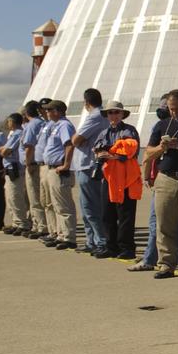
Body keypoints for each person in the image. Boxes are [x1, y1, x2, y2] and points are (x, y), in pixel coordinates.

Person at [146, 90, 178, 280]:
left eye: (177, 109)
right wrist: (162, 148)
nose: (173, 113)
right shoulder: (162, 125)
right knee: (164, 223)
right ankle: (166, 263)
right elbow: (148, 152)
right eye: (170, 109)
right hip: (166, 177)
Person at [93, 101, 140, 259]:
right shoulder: (103, 132)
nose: (113, 115)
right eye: (110, 113)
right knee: (108, 213)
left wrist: (111, 154)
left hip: (126, 177)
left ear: (122, 114)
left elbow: (130, 152)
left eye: (116, 112)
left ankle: (127, 248)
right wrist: (104, 153)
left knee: (125, 214)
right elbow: (97, 150)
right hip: (109, 177)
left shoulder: (129, 131)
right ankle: (110, 246)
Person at [128, 97, 170, 272]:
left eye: (164, 107)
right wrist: (146, 176)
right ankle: (153, 256)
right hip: (158, 179)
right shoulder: (160, 127)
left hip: (168, 179)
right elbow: (148, 154)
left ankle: (151, 258)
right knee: (157, 222)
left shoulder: (173, 126)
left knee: (158, 222)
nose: (161, 110)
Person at [70, 88, 109, 256]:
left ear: (86, 103)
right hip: (85, 166)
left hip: (88, 166)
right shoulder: (100, 116)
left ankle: (100, 241)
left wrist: (76, 139)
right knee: (87, 207)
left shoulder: (95, 116)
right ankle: (92, 240)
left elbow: (76, 140)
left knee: (91, 207)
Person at [38, 100, 78, 249]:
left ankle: (69, 237)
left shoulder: (64, 125)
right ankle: (61, 235)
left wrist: (66, 164)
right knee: (55, 204)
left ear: (57, 111)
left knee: (63, 205)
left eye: (49, 110)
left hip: (59, 169)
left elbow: (69, 144)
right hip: (51, 168)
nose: (46, 113)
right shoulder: (54, 125)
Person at [21, 101, 49, 240]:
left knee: (34, 196)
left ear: (26, 113)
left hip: (33, 163)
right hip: (38, 162)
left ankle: (40, 226)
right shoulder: (41, 123)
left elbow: (29, 146)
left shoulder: (32, 125)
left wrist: (28, 163)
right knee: (38, 196)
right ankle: (39, 225)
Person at [0, 112, 30, 235]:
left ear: (13, 122)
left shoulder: (18, 133)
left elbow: (5, 151)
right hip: (9, 168)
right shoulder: (13, 134)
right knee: (10, 197)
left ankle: (22, 223)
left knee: (15, 196)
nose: (7, 123)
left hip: (15, 168)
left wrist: (3, 150)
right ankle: (16, 222)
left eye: (9, 121)